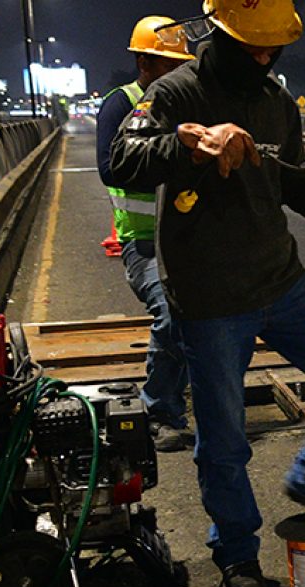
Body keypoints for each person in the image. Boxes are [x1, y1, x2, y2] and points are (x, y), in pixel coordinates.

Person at [109, 0, 305, 587]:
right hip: (208, 295)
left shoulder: (276, 100)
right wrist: (192, 145)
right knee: (224, 440)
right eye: (250, 46)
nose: (262, 57)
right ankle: (236, 554)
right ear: (219, 32)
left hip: (279, 277)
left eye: (271, 49)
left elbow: (285, 181)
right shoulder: (174, 93)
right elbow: (121, 161)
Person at [96, 17, 195, 452]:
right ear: (142, 62)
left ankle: (194, 400)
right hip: (143, 243)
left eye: (179, 65)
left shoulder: (190, 104)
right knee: (172, 315)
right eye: (164, 64)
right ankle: (158, 406)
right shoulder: (122, 105)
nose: (174, 73)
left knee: (209, 318)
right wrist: (176, 156)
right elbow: (108, 169)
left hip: (190, 236)